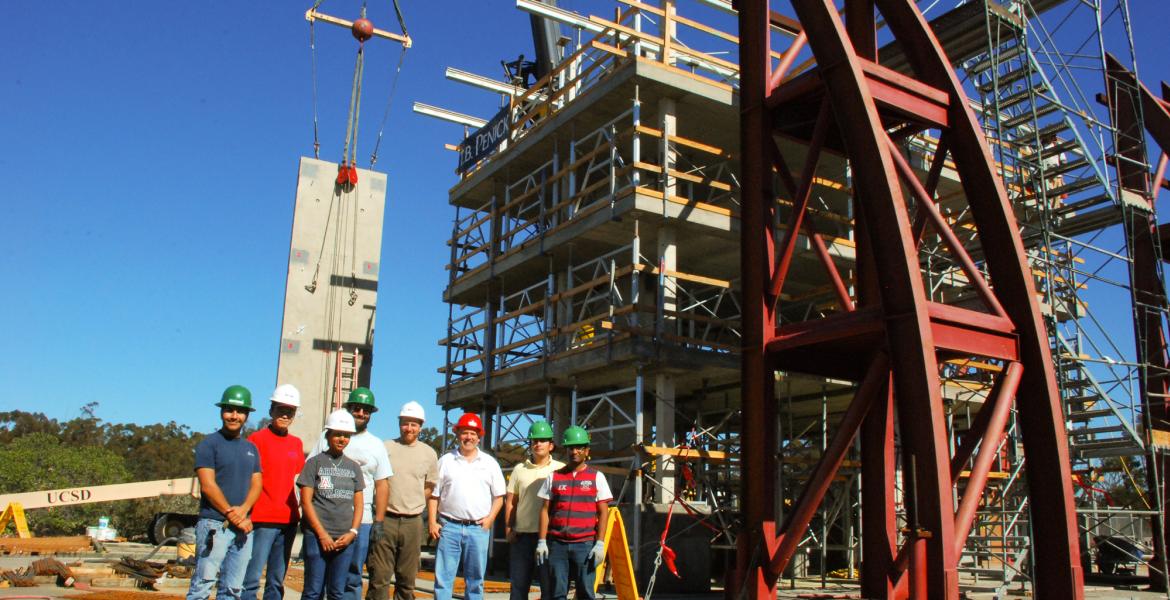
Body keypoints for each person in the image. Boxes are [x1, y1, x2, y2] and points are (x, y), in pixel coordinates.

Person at [310, 387, 393, 600]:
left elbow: (382, 484)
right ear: (349, 408)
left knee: (352, 576)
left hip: (361, 522)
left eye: (366, 410)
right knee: (318, 580)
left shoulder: (376, 445)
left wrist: (379, 522)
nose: (361, 414)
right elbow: (310, 473)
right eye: (357, 408)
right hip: (326, 519)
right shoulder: (326, 436)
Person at [186, 385, 263, 600]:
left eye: (239, 412)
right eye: (229, 410)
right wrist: (232, 514)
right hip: (214, 525)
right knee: (202, 585)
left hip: (243, 528)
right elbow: (208, 486)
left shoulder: (251, 449)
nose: (234, 416)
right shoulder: (209, 445)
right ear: (222, 412)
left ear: (246, 415)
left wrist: (244, 511)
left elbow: (257, 483)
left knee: (233, 589)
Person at [427, 413, 505, 600]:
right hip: (449, 527)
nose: (468, 437)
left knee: (475, 581)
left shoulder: (489, 463)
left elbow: (499, 497)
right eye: (464, 433)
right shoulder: (445, 461)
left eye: (472, 433)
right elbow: (434, 495)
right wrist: (432, 522)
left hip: (478, 529)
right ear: (458, 434)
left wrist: (489, 520)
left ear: (479, 437)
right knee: (443, 580)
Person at [367, 401, 439, 600]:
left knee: (406, 579)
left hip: (413, 522)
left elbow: (430, 486)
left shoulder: (429, 453)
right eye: (405, 423)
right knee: (379, 577)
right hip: (386, 520)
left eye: (414, 424)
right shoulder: (386, 447)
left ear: (421, 426)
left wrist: (413, 502)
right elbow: (375, 481)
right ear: (399, 423)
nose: (409, 428)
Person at [242, 384, 306, 600]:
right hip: (261, 520)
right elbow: (246, 480)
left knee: (276, 581)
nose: (285, 415)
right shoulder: (255, 440)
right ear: (271, 410)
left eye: (290, 411)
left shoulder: (296, 444)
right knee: (251, 579)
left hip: (288, 521)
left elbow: (300, 481)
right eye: (281, 409)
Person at [537, 426, 612, 600]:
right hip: (557, 545)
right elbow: (544, 510)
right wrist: (542, 541)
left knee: (586, 591)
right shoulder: (554, 477)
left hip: (584, 545)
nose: (574, 451)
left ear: (587, 450)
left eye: (579, 447)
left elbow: (604, 512)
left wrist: (600, 543)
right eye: (571, 447)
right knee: (557, 593)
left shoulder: (597, 477)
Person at [299, 410, 366, 600]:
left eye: (346, 435)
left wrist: (352, 532)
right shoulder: (314, 463)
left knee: (337, 592)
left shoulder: (354, 467)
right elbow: (306, 501)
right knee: (313, 591)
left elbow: (359, 504)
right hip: (317, 537)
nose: (342, 439)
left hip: (344, 539)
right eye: (337, 434)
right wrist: (322, 535)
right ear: (328, 435)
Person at [504, 421, 564, 600]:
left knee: (549, 589)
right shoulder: (518, 470)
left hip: (549, 538)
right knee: (519, 589)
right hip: (522, 537)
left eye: (543, 440)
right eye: (534, 440)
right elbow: (510, 503)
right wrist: (508, 529)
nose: (538, 444)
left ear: (551, 445)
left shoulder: (560, 469)